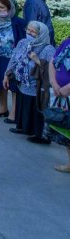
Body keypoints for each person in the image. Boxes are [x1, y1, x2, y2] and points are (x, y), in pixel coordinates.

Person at [8, 21, 55, 144]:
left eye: (33, 31)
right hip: (23, 82)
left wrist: (36, 60)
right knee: (24, 104)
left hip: (38, 86)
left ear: (41, 34)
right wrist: (6, 74)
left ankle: (39, 135)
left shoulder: (48, 49)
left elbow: (53, 69)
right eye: (28, 30)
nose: (29, 33)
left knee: (36, 109)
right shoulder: (23, 43)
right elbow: (14, 58)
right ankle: (24, 127)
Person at [45, 39, 70, 173]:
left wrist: (68, 88)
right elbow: (53, 61)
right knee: (66, 130)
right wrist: (54, 82)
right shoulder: (67, 42)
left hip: (66, 92)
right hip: (60, 93)